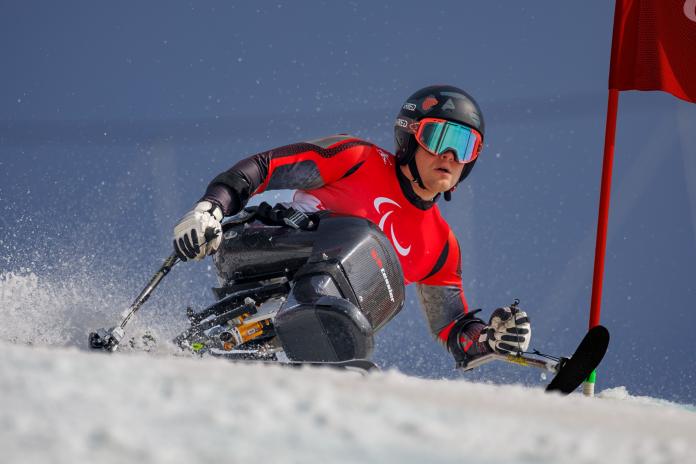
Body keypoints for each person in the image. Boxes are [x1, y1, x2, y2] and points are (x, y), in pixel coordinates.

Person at [172, 85, 531, 369]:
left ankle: (305, 337)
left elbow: (452, 327)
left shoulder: (441, 246)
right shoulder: (358, 159)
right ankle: (316, 320)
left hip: (332, 309)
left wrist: (489, 339)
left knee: (385, 280)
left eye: (465, 146)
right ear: (409, 137)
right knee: (369, 241)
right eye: (439, 139)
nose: (450, 156)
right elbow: (265, 167)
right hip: (259, 248)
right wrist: (211, 207)